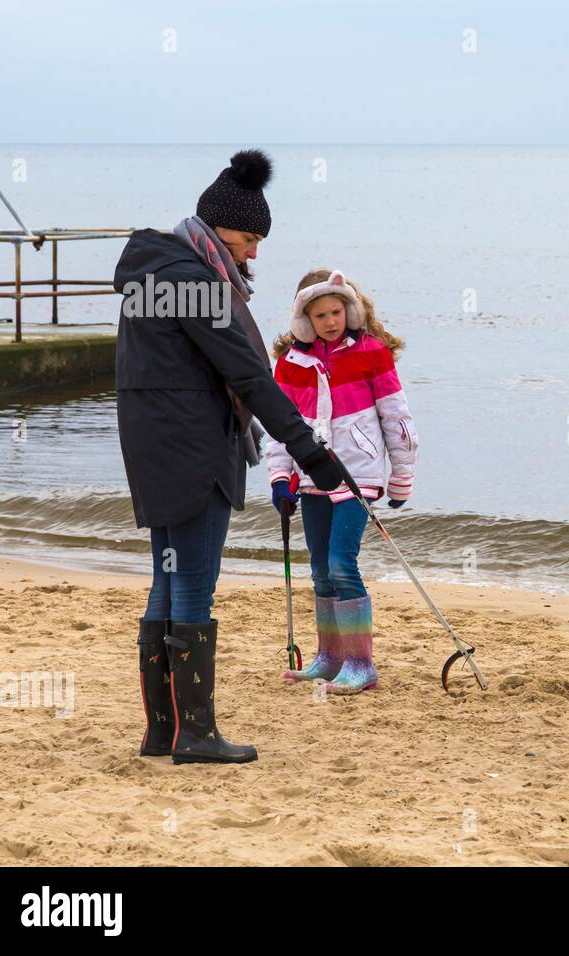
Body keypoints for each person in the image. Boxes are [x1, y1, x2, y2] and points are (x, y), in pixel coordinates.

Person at [115, 149, 343, 765]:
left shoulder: (153, 271)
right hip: (193, 450)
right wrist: (309, 452)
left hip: (151, 444)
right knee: (193, 587)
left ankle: (162, 732)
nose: (254, 253)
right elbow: (248, 375)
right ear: (218, 230)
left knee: (166, 578)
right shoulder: (195, 283)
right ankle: (195, 734)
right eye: (248, 238)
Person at [267, 269, 417, 695]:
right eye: (319, 315)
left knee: (340, 564)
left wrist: (401, 475)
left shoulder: (372, 353)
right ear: (304, 318)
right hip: (313, 476)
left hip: (359, 475)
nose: (329, 321)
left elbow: (397, 418)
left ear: (349, 309)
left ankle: (360, 663)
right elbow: (282, 426)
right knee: (319, 569)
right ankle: (330, 658)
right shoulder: (291, 364)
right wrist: (282, 477)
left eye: (335, 311)